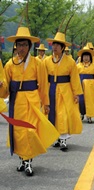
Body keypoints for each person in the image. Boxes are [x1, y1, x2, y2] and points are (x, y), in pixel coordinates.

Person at [0, 27, 59, 176]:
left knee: (30, 131)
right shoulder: (9, 64)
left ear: (29, 46)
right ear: (15, 46)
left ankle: (28, 161)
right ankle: (22, 158)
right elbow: (6, 88)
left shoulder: (37, 64)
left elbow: (44, 85)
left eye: (25, 45)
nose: (22, 48)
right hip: (16, 103)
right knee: (19, 133)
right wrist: (2, 86)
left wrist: (46, 103)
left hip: (32, 101)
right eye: (19, 45)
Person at [44, 31, 83, 151]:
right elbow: (43, 77)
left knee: (63, 114)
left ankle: (63, 139)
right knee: (52, 113)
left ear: (62, 47)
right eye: (53, 44)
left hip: (65, 90)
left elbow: (75, 78)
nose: (55, 47)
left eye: (57, 45)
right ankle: (55, 137)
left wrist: (76, 94)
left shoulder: (70, 62)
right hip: (51, 89)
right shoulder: (46, 61)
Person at [77, 46, 94, 123]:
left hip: (91, 86)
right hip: (80, 85)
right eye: (84, 56)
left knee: (90, 101)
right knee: (80, 100)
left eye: (87, 56)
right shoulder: (78, 66)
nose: (86, 58)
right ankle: (81, 113)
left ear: (90, 57)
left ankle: (89, 116)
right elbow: (74, 77)